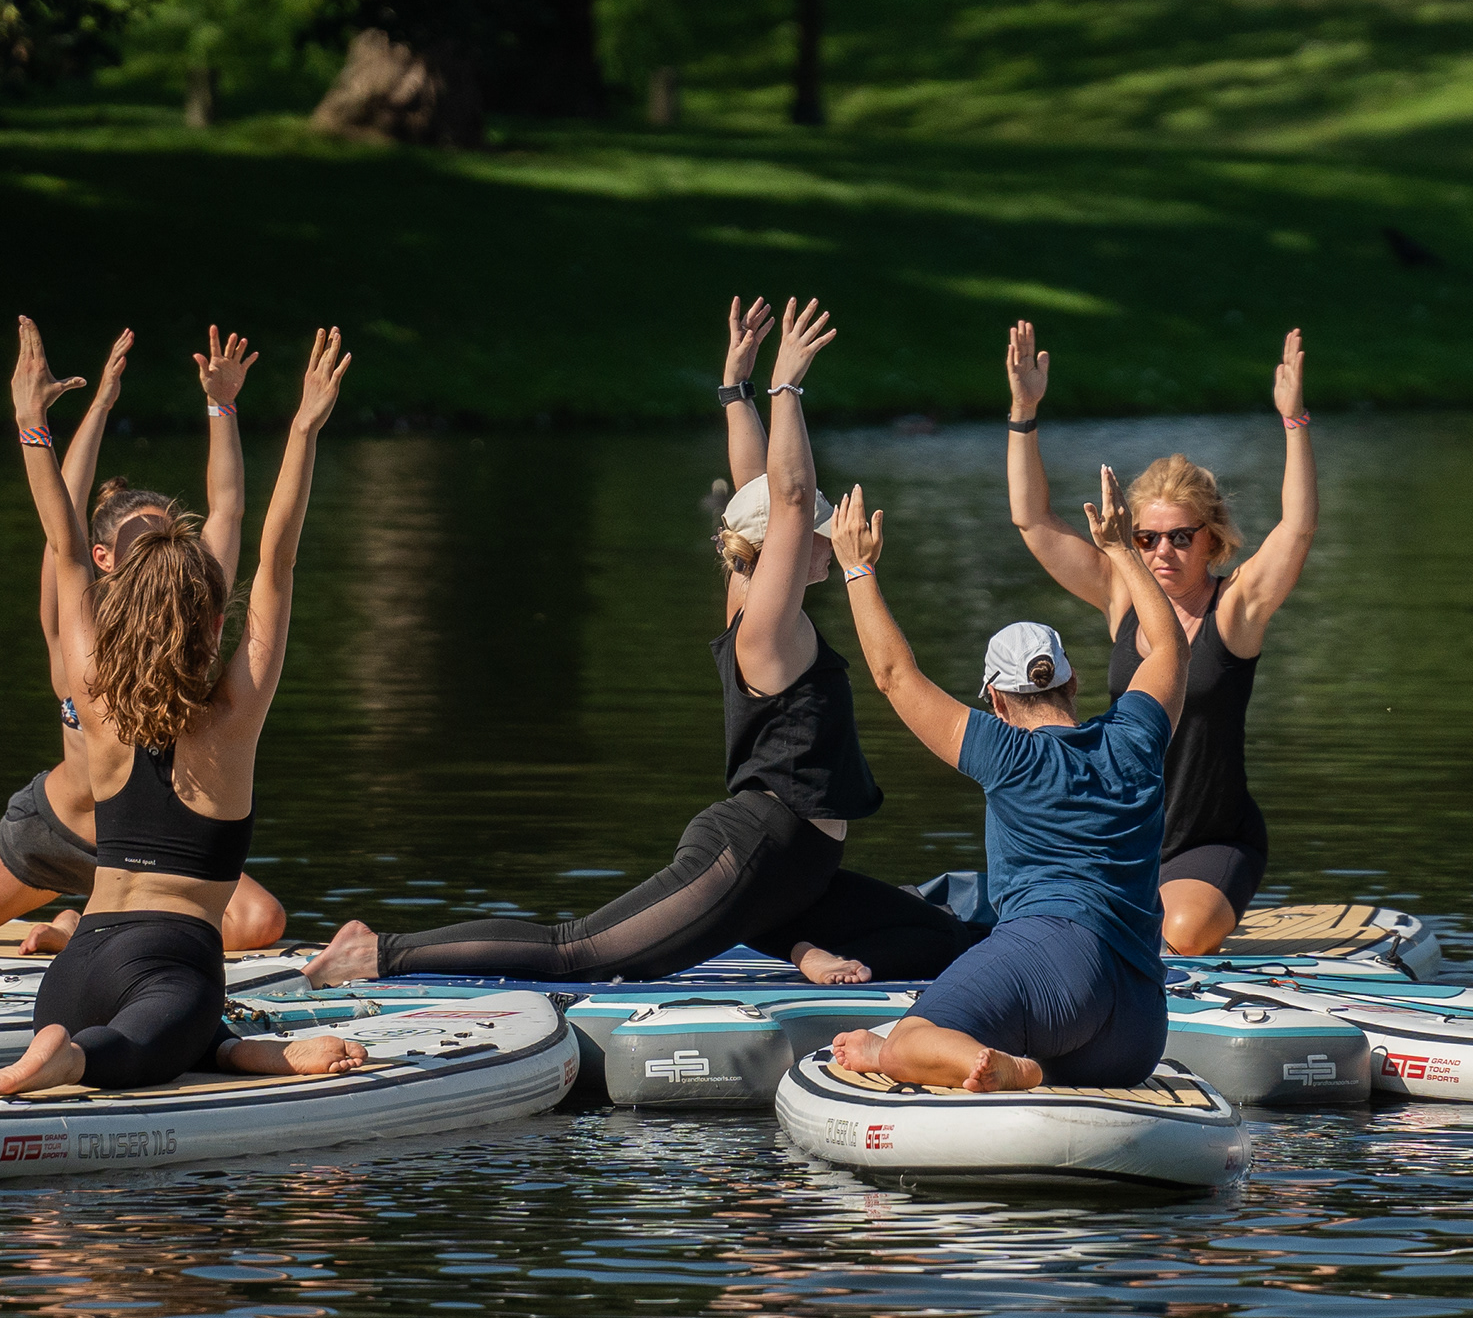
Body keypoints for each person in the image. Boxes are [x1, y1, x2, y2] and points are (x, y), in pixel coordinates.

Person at [301, 296, 980, 992]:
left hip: (796, 872)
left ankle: (796, 941)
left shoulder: (749, 582)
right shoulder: (768, 627)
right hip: (754, 852)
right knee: (582, 952)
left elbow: (758, 489)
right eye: (817, 536)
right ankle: (379, 951)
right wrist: (786, 386)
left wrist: (734, 390)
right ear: (780, 541)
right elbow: (790, 494)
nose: (829, 545)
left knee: (938, 937)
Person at [0, 318, 367, 1095]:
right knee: (161, 1031)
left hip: (73, 977)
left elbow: (66, 548)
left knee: (186, 1032)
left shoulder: (94, 692)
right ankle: (71, 1061)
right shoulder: (233, 713)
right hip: (168, 969)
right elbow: (278, 554)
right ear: (212, 619)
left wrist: (31, 423)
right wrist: (300, 427)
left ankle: (199, 1049)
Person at [0, 327, 290, 956]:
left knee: (258, 924)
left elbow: (227, 511)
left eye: (174, 539)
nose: (170, 551)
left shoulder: (193, 612)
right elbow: (65, 519)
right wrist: (97, 405)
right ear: (105, 555)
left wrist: (221, 406)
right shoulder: (79, 625)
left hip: (156, 837)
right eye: (147, 540)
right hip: (64, 824)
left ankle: (85, 924)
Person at [823, 469, 1187, 1091]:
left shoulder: (1005, 752)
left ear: (995, 700)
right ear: (1071, 684)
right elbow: (1171, 650)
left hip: (1056, 967)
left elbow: (893, 676)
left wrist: (858, 569)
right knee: (1049, 1037)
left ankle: (987, 1065)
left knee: (907, 1041)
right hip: (1137, 1025)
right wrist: (1123, 550)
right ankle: (1025, 1061)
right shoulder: (1133, 739)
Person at [1001, 318, 1316, 954]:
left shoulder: (1235, 610)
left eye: (1180, 537)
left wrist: (1294, 422)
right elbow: (1032, 521)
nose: (1162, 551)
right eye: (1146, 539)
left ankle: (1197, 919)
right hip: (1127, 835)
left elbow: (1298, 528)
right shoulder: (1122, 594)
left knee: (1179, 933)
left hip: (1212, 840)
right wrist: (1023, 413)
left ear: (1212, 539)